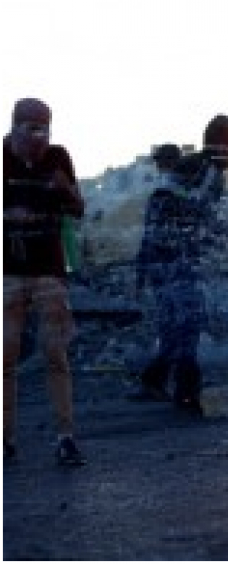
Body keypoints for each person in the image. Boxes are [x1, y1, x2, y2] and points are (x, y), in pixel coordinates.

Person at [3, 97, 87, 466]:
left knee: (57, 355)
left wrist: (64, 189)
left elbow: (78, 208)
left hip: (50, 271)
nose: (39, 138)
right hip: (8, 271)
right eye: (31, 129)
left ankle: (65, 438)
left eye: (45, 128)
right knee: (5, 360)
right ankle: (5, 440)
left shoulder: (58, 157)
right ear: (14, 126)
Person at [130, 156, 211, 415]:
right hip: (177, 274)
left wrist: (142, 274)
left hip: (163, 275)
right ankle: (184, 392)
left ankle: (156, 381)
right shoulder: (179, 200)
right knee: (186, 332)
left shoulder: (160, 196)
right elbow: (176, 238)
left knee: (172, 333)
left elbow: (148, 238)